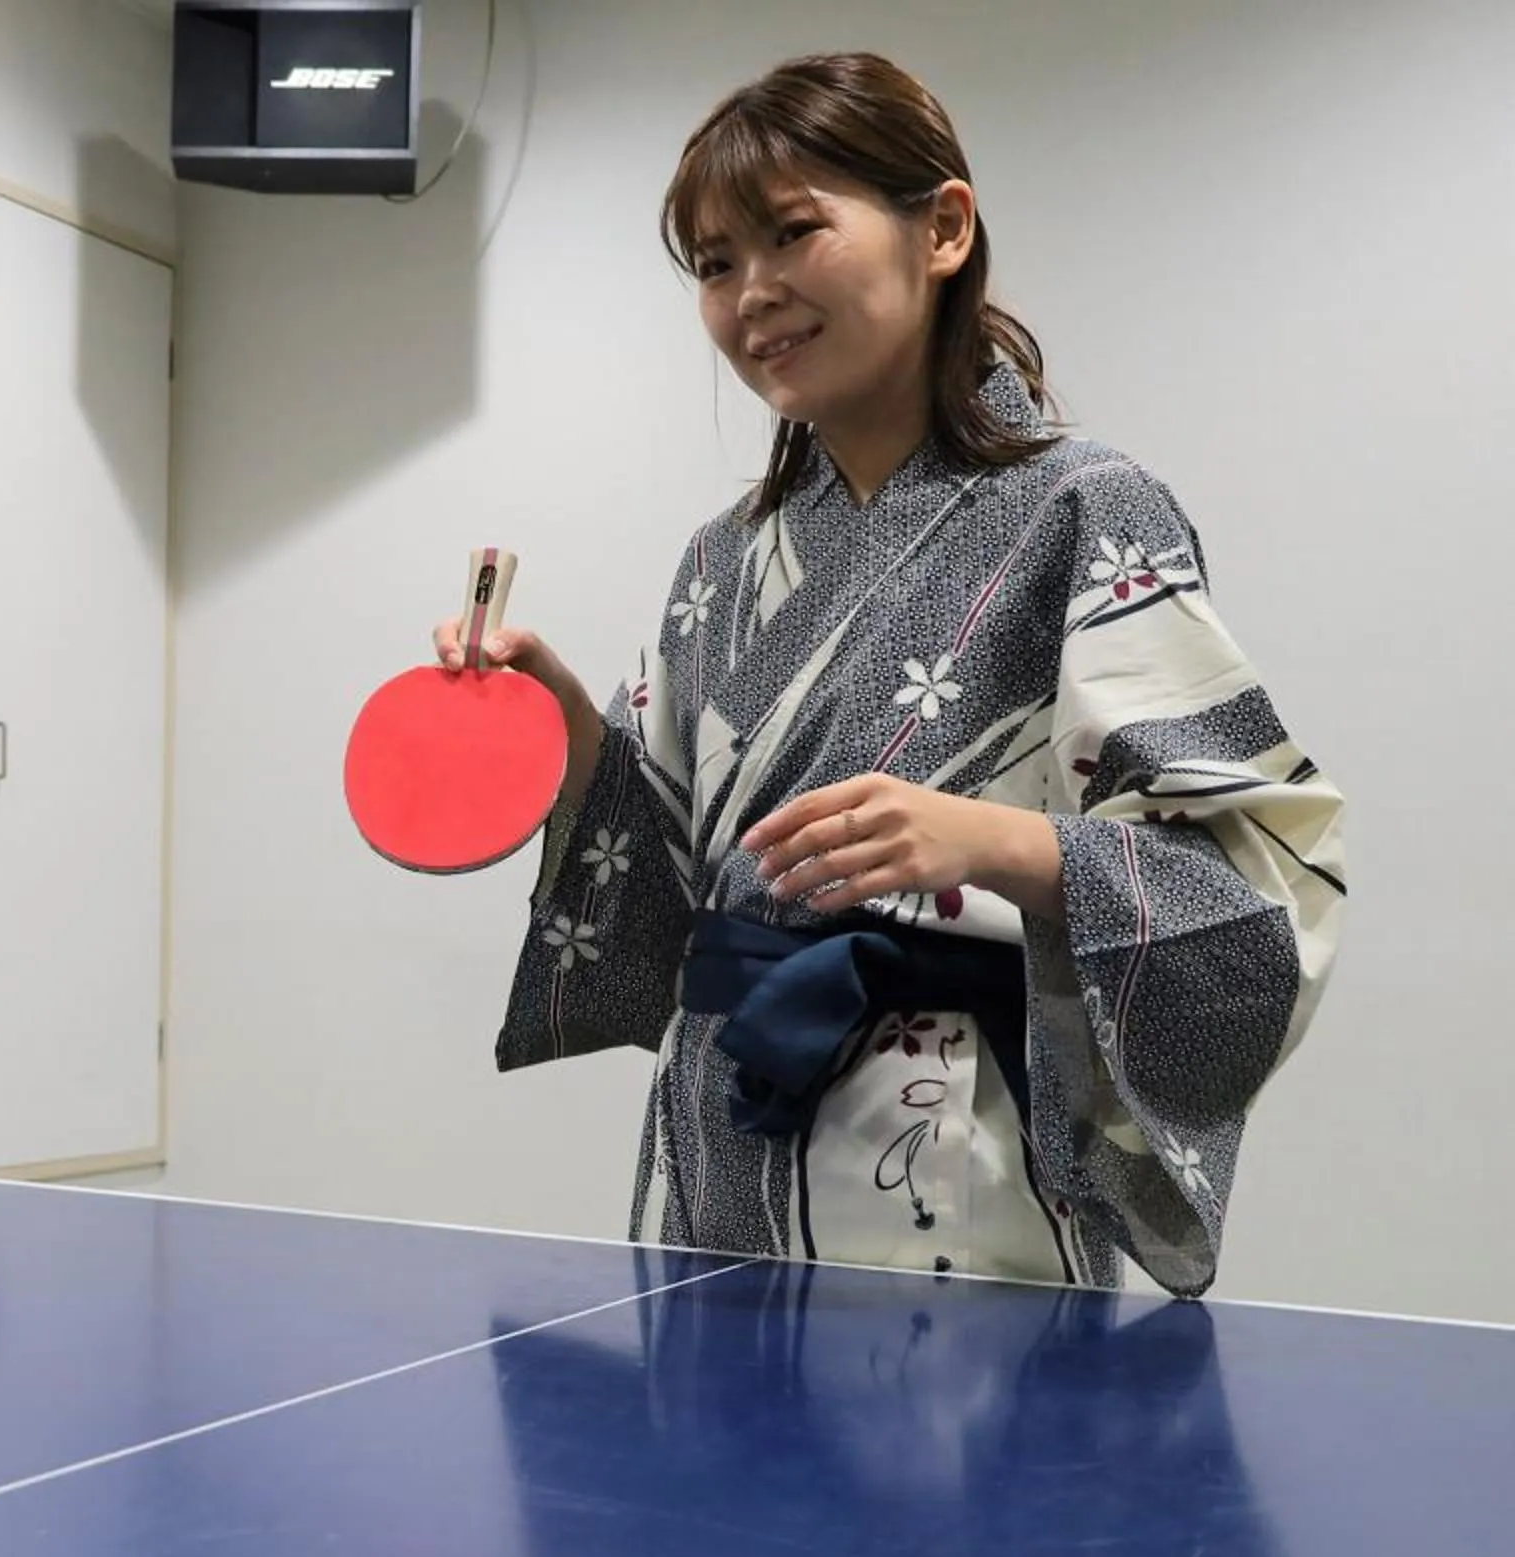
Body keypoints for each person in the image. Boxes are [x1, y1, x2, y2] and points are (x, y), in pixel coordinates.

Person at [436, 53, 1343, 1299]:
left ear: (945, 230)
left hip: (950, 1140)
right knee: (707, 1489)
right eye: (712, 263)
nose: (752, 293)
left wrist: (986, 839)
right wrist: (565, 725)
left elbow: (1247, 889)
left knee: (944, 1476)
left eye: (792, 233)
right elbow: (656, 898)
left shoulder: (1088, 509)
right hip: (727, 1124)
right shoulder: (720, 561)